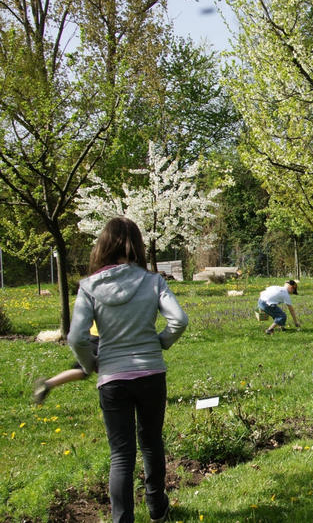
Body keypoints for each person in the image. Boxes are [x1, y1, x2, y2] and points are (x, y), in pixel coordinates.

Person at [66, 217, 188, 523]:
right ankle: (157, 507)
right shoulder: (153, 281)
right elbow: (179, 320)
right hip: (151, 374)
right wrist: (161, 342)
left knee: (121, 456)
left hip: (112, 378)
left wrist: (88, 364)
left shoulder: (89, 287)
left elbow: (76, 337)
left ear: (103, 245)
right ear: (137, 244)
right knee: (151, 442)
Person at [33, 323, 99, 404]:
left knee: (83, 369)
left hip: (93, 334)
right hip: (103, 336)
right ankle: (47, 384)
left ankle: (48, 384)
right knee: (84, 370)